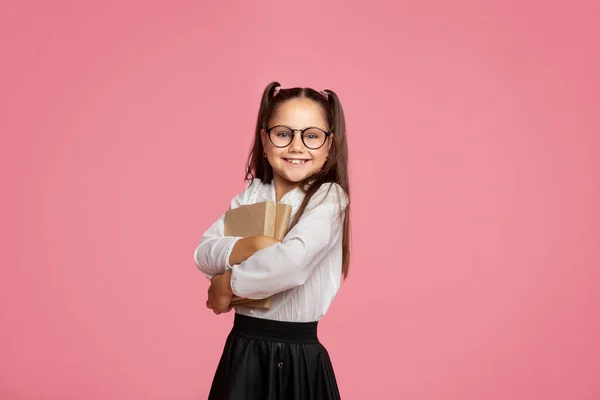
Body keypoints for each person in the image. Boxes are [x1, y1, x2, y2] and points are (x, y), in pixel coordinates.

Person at [194, 81, 351, 400]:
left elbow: (291, 266)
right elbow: (204, 253)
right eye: (283, 134)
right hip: (244, 350)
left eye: (311, 135)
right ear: (265, 140)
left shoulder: (328, 198)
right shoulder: (252, 195)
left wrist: (228, 285)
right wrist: (253, 246)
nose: (296, 146)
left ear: (329, 145)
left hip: (297, 357)